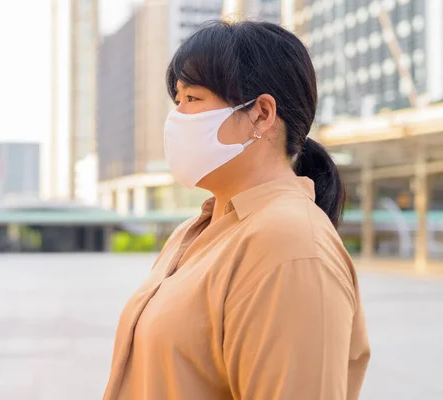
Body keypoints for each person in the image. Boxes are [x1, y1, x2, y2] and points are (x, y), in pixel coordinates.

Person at [103, 20, 370, 400]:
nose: (177, 117)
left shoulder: (290, 246)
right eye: (176, 101)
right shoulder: (195, 232)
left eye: (192, 99)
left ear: (261, 114)